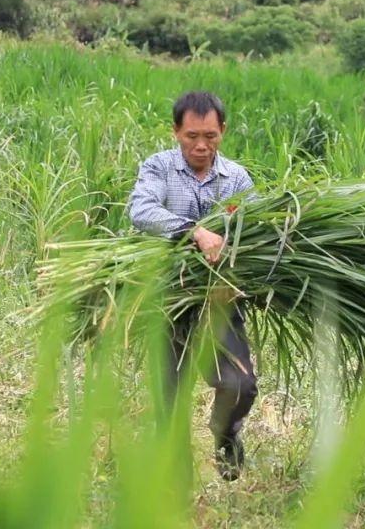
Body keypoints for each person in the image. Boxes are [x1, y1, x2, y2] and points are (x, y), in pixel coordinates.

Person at [127, 90, 258, 481]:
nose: (201, 146)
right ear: (176, 132)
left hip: (220, 300)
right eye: (191, 136)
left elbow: (255, 226)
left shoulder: (237, 178)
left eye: (210, 136)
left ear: (223, 132)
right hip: (168, 298)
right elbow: (142, 211)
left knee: (241, 385)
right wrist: (194, 231)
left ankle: (225, 433)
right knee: (171, 395)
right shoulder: (158, 168)